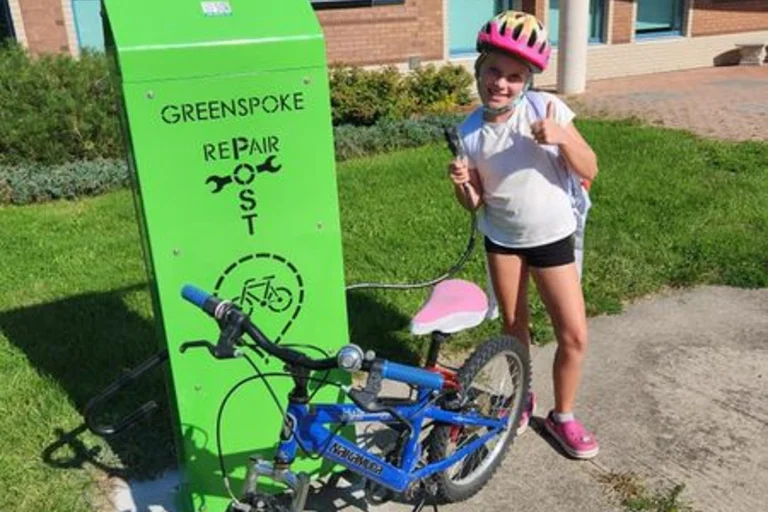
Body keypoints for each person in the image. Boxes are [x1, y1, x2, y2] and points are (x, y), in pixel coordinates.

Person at [448, 10, 599, 459]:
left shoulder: (547, 109)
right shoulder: (469, 131)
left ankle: (563, 417)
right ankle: (521, 397)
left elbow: (590, 168)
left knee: (573, 334)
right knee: (515, 331)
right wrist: (463, 184)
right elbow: (476, 203)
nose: (501, 83)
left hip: (552, 237)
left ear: (528, 81)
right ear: (478, 71)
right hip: (504, 242)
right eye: (493, 70)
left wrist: (562, 138)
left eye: (514, 76)